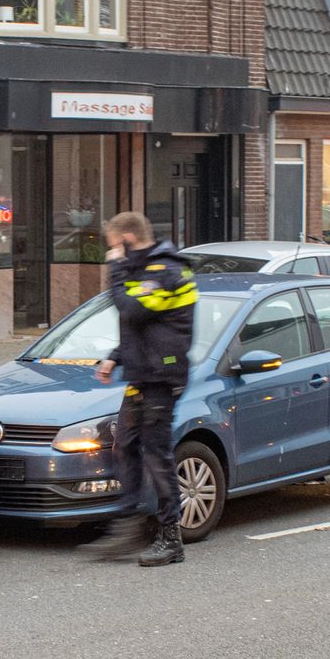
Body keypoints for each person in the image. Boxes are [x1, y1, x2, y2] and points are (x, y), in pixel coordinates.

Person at [82, 212, 199, 567]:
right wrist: (114, 357)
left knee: (156, 456)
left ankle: (170, 539)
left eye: (114, 246)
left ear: (128, 240)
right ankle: (128, 525)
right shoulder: (145, 270)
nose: (112, 254)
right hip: (142, 375)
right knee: (125, 446)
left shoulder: (164, 272)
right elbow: (142, 326)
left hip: (162, 380)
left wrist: (115, 270)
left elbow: (131, 311)